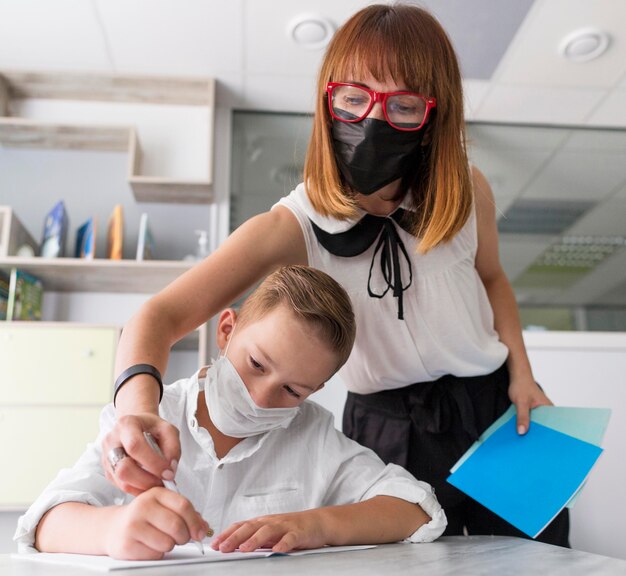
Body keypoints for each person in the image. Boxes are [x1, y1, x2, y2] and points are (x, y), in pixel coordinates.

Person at [102, 4, 568, 546]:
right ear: (328, 101)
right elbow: (157, 317)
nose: (374, 119)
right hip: (387, 428)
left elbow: (493, 281)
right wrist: (136, 412)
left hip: (493, 409)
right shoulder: (290, 227)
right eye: (354, 97)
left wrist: (523, 374)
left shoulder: (468, 191)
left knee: (540, 567)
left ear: (433, 116)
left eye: (404, 105)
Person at [15, 266, 446, 559]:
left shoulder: (312, 435)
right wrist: (112, 530)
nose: (261, 397)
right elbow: (45, 522)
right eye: (256, 364)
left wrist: (317, 526)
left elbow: (418, 509)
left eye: (292, 390)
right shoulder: (153, 411)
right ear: (226, 330)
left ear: (317, 391)